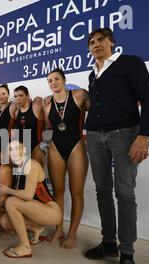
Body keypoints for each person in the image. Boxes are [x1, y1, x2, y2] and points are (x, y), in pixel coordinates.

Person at [83, 28, 149, 264]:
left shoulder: (130, 63)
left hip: (125, 134)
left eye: (100, 40)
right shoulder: (92, 74)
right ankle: (108, 243)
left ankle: (127, 255)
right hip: (94, 136)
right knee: (102, 190)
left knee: (124, 192)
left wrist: (143, 135)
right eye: (91, 43)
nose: (95, 45)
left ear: (111, 42)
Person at [41, 68, 90, 249]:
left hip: (76, 146)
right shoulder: (47, 104)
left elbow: (96, 107)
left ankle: (72, 234)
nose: (53, 83)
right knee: (58, 191)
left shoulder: (79, 95)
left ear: (64, 79)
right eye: (50, 81)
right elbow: (46, 126)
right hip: (55, 147)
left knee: (76, 193)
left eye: (56, 79)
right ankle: (59, 229)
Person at [0, 140, 62, 258]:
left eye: (18, 148)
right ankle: (37, 228)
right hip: (37, 211)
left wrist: (8, 190)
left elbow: (28, 195)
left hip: (51, 211)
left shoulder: (31, 164)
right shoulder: (18, 168)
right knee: (5, 221)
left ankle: (25, 247)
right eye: (10, 150)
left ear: (25, 150)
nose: (14, 153)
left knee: (11, 202)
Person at [12, 86, 44, 165]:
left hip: (36, 145)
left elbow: (46, 125)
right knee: (23, 174)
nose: (18, 98)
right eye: (16, 96)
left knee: (35, 173)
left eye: (21, 95)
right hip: (22, 147)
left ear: (27, 96)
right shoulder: (16, 112)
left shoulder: (36, 107)